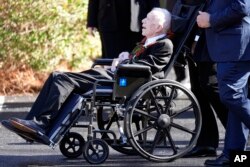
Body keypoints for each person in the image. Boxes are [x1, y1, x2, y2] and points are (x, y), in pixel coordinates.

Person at [1, 8, 173, 140]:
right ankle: (32, 123)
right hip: (119, 76)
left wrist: (124, 63)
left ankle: (41, 124)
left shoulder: (164, 44)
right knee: (56, 76)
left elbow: (149, 67)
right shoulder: (147, 42)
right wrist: (125, 57)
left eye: (148, 19)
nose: (142, 20)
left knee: (63, 79)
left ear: (157, 27)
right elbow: (138, 60)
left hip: (126, 82)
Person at [196, 0, 250, 166]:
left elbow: (242, 7)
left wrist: (211, 19)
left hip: (235, 46)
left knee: (231, 95)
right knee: (236, 100)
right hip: (228, 45)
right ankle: (234, 156)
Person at [184, 30, 228, 157]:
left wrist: (210, 19)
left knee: (211, 86)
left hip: (214, 37)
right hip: (194, 36)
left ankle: (237, 133)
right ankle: (206, 143)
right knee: (197, 91)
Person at [87, 0, 160, 58]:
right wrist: (91, 22)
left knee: (134, 58)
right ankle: (110, 76)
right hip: (108, 19)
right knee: (110, 59)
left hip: (136, 22)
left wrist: (156, 18)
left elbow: (154, 2)